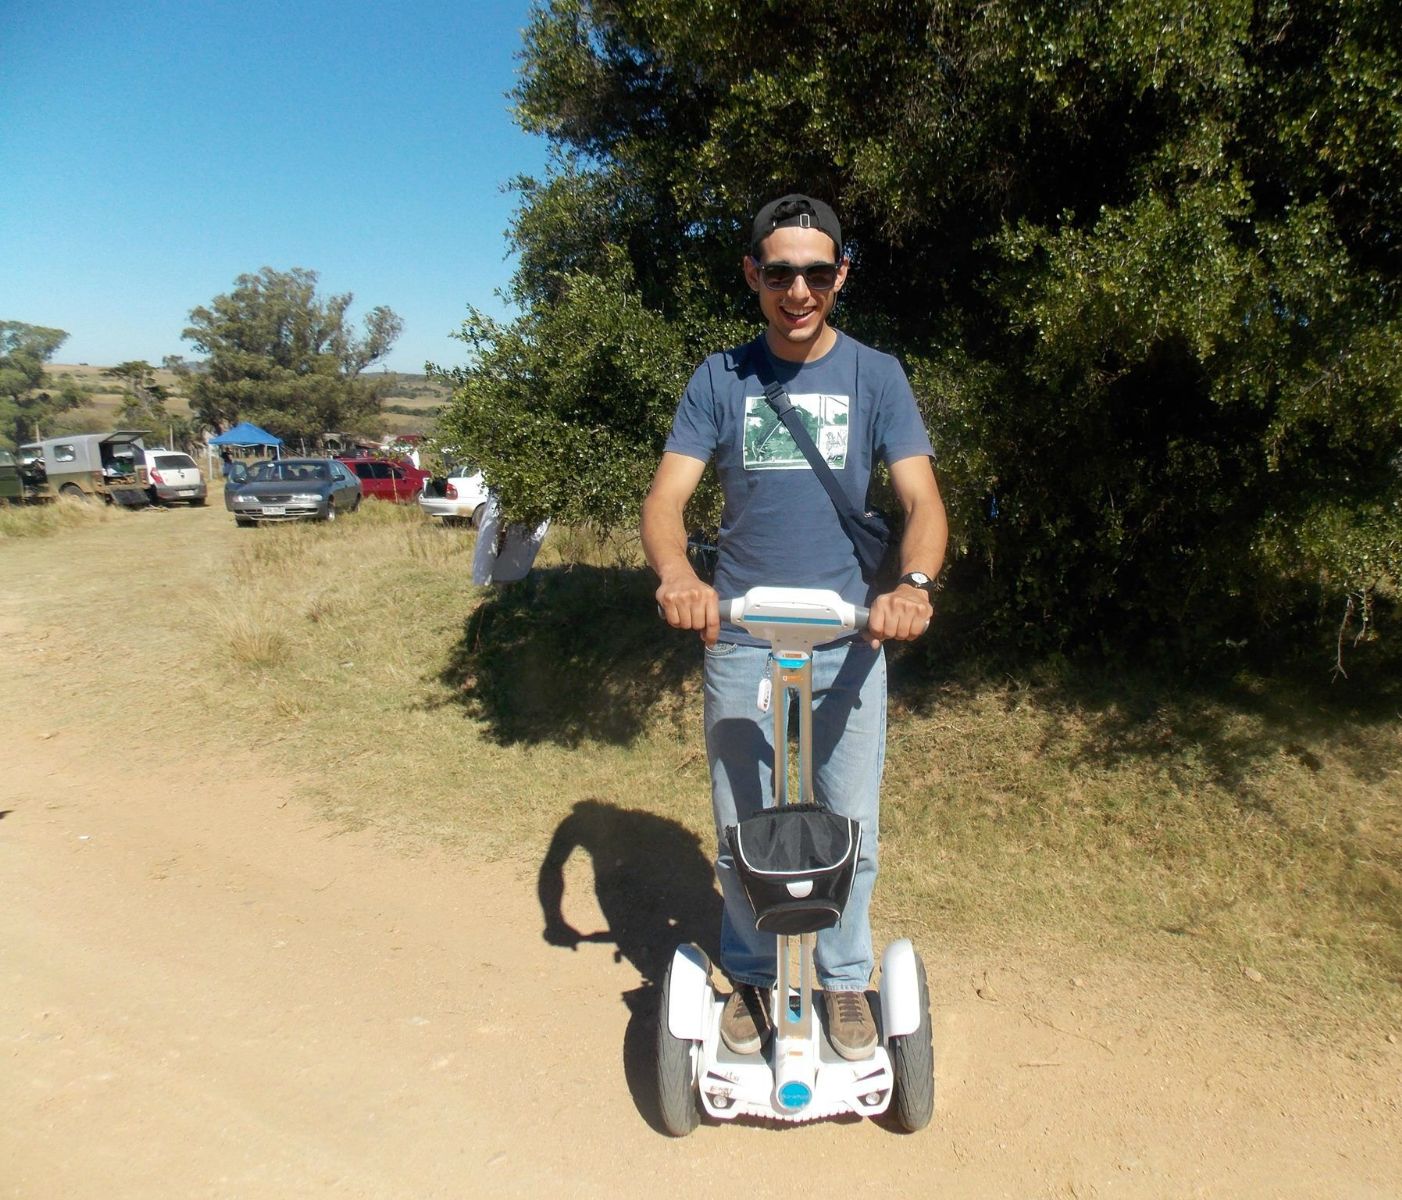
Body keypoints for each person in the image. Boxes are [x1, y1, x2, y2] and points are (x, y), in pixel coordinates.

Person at [640, 194, 948, 1060]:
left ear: (840, 276)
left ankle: (846, 982)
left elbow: (922, 500)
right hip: (742, 639)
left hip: (850, 641)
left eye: (817, 272)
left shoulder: (876, 376)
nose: (799, 290)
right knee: (744, 825)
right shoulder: (719, 379)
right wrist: (678, 575)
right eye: (781, 272)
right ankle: (749, 972)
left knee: (848, 822)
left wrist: (914, 586)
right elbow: (667, 499)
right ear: (754, 276)